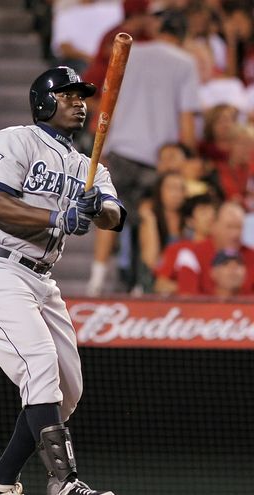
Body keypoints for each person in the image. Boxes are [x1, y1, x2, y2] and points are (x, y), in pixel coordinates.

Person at [0, 66, 126, 495]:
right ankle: (63, 484)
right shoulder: (14, 140)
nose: (78, 101)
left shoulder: (91, 167)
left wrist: (98, 207)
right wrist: (57, 218)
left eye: (82, 96)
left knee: (67, 388)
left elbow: (115, 216)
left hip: (42, 279)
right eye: (67, 95)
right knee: (40, 364)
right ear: (44, 102)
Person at [86, 9, 201, 296]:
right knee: (149, 218)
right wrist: (188, 156)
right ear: (183, 36)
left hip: (120, 148)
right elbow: (187, 121)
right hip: (156, 158)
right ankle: (141, 284)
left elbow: (106, 98)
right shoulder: (185, 62)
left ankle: (97, 279)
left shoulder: (133, 53)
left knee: (108, 211)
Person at [175, 201, 254, 295]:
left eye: (239, 227)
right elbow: (187, 299)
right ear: (214, 226)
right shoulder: (191, 255)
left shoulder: (251, 255)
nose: (235, 234)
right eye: (229, 227)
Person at [153, 192, 217, 294]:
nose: (211, 216)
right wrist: (191, 287)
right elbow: (161, 285)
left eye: (213, 212)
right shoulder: (177, 249)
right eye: (204, 211)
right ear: (190, 221)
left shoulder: (225, 248)